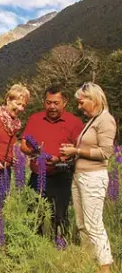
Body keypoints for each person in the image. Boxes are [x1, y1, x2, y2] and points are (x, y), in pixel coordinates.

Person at [60, 82, 116, 273]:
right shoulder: (92, 120)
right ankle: (87, 260)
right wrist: (72, 153)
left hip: (93, 177)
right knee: (82, 224)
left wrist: (76, 150)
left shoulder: (106, 120)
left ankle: (105, 267)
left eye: (81, 102)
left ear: (94, 100)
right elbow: (87, 149)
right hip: (80, 176)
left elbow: (105, 152)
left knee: (94, 224)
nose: (79, 106)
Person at [20, 84, 84, 245]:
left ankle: (60, 248)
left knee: (59, 215)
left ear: (65, 102)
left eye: (56, 102)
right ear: (44, 102)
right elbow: (23, 144)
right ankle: (34, 245)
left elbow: (80, 150)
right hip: (37, 175)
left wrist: (60, 159)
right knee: (34, 214)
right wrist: (32, 152)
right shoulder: (35, 119)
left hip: (61, 175)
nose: (52, 106)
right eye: (48, 102)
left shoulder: (74, 122)